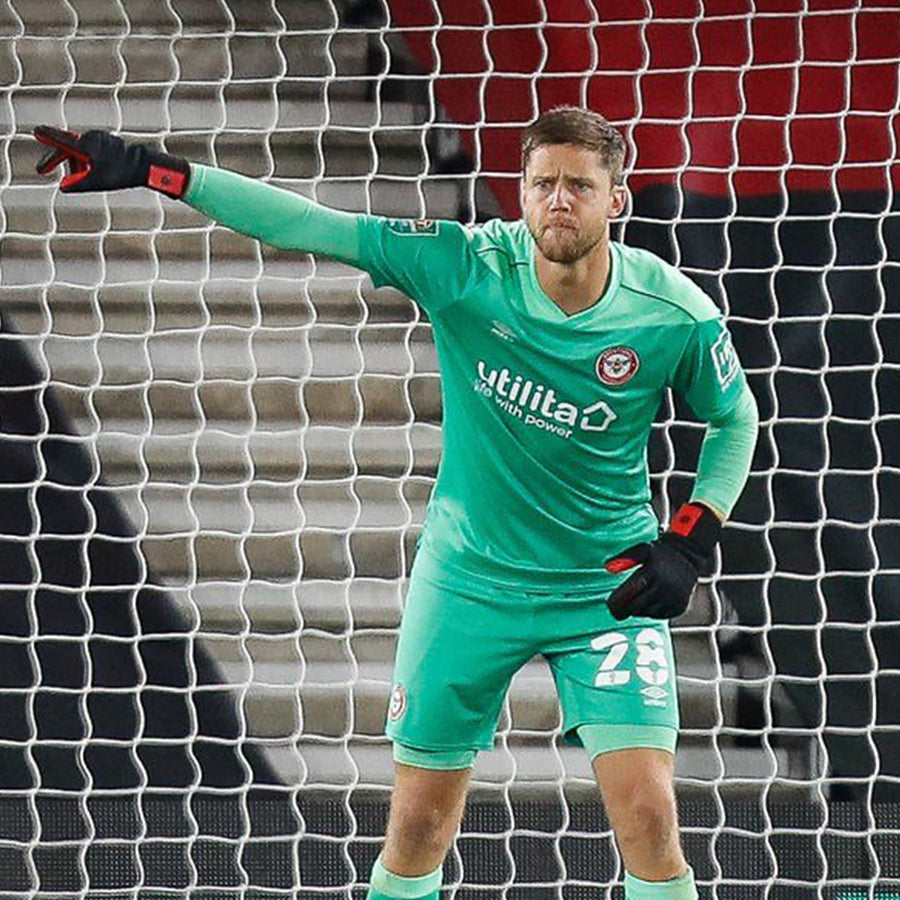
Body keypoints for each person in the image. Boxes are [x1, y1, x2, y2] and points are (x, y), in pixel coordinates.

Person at [35, 107, 758, 900]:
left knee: (652, 820)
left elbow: (734, 418)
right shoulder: (463, 264)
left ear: (615, 200)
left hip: (604, 590)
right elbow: (313, 225)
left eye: (579, 186)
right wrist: (156, 171)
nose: (559, 200)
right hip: (469, 584)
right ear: (519, 193)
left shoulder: (673, 312)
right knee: (417, 830)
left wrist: (690, 540)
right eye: (542, 182)